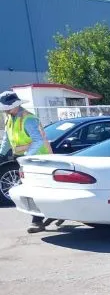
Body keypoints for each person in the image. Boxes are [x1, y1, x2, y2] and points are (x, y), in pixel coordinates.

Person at [0, 90, 62, 233]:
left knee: (34, 189)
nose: (6, 110)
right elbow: (7, 139)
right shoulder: (10, 118)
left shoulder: (28, 119)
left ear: (15, 105)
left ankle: (37, 221)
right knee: (34, 189)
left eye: (7, 107)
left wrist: (28, 156)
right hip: (25, 160)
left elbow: (38, 140)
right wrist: (2, 154)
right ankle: (54, 213)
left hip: (38, 159)